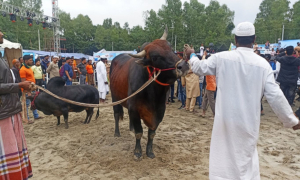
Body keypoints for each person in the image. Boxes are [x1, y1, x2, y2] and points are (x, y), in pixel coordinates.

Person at [187, 22, 300, 180]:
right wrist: (291, 120)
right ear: (254, 39)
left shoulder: (221, 58)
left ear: (235, 39)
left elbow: (199, 68)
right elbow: (275, 95)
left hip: (225, 122)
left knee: (222, 160)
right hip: (248, 123)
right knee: (245, 163)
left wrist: (192, 55)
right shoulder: (263, 65)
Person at [0, 30, 34, 179]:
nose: (2, 34)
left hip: (10, 109)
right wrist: (19, 85)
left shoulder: (2, 57)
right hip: (3, 112)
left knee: (14, 149)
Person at [19, 55, 42, 122]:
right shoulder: (23, 70)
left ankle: (36, 116)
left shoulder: (29, 68)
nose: (32, 61)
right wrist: (28, 91)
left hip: (32, 89)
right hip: (27, 90)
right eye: (30, 60)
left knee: (33, 102)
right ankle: (27, 119)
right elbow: (23, 82)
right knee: (26, 105)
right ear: (26, 61)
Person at [182, 46, 200, 113]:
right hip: (194, 79)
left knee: (188, 94)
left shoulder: (185, 62)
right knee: (194, 95)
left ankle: (187, 107)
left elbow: (183, 73)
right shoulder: (194, 61)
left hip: (188, 79)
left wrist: (183, 82)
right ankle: (191, 108)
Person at [201, 51, 216, 118]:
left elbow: (202, 63)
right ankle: (203, 112)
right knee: (205, 99)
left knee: (211, 101)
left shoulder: (208, 68)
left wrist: (204, 55)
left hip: (210, 86)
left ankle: (215, 114)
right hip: (210, 85)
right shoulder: (213, 67)